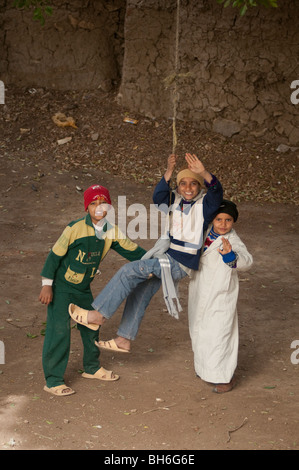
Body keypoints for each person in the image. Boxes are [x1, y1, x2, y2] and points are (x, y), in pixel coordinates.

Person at [68, 153, 223, 353]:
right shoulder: (175, 201)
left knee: (128, 271)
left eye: (193, 184)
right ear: (177, 187)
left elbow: (217, 193)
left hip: (179, 264)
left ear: (200, 187)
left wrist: (202, 172)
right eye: (182, 183)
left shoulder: (205, 207)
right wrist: (169, 171)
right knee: (141, 289)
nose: (188, 188)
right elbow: (158, 197)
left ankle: (98, 315)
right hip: (168, 257)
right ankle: (124, 338)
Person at [39, 184, 146, 396]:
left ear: (109, 206)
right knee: (59, 331)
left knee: (92, 325)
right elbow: (54, 256)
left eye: (103, 203)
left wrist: (158, 261)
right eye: (93, 203)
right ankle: (53, 380)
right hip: (61, 288)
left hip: (82, 288)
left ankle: (92, 367)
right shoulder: (74, 228)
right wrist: (47, 285)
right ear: (86, 207)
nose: (99, 207)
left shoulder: (111, 231)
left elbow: (134, 251)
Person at [188, 199, 253, 393]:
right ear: (212, 219)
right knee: (199, 330)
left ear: (233, 222)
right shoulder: (204, 232)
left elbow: (247, 261)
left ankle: (226, 377)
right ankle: (204, 368)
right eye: (219, 219)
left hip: (221, 294)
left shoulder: (232, 241)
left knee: (220, 334)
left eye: (228, 220)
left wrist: (231, 256)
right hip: (199, 289)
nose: (223, 224)